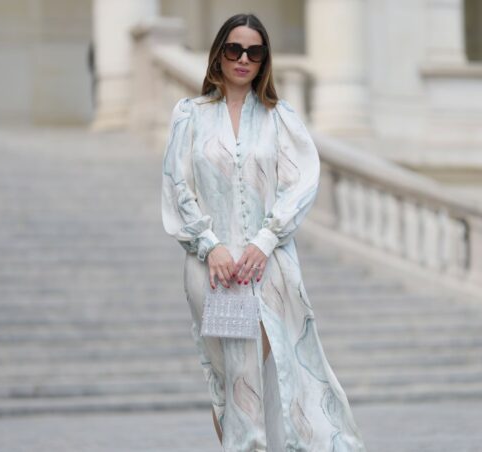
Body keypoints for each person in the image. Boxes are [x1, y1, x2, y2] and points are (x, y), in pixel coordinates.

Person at [161, 13, 367, 451]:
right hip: (212, 270)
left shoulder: (280, 118)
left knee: (257, 373)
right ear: (219, 53)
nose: (243, 59)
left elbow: (301, 183)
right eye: (234, 49)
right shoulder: (189, 115)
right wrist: (211, 246)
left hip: (266, 267)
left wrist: (264, 240)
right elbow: (178, 188)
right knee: (228, 383)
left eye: (253, 52)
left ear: (264, 60)